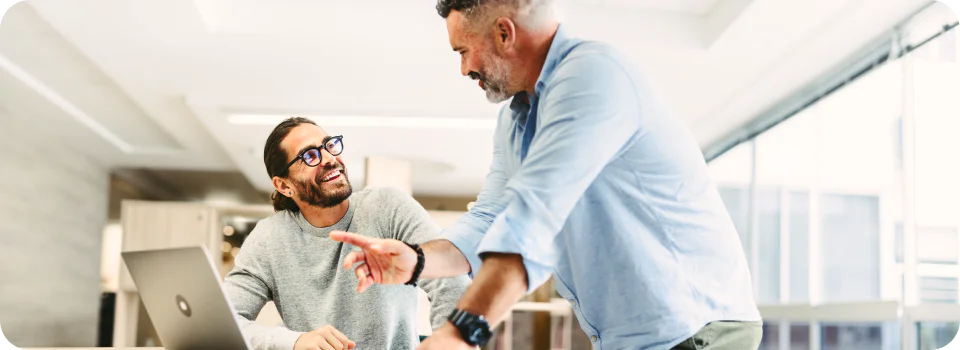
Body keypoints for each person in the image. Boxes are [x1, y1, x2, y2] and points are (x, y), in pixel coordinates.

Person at [331, 0, 764, 349]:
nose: (464, 69)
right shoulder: (515, 119)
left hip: (697, 331)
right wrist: (418, 260)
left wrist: (460, 333)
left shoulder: (592, 76)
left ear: (504, 33)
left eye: (463, 51)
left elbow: (531, 218)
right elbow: (490, 218)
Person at [224, 117, 470, 350]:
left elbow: (451, 281)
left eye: (329, 145)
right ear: (284, 186)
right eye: (310, 155)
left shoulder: (389, 208)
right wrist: (294, 342)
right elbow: (224, 323)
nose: (329, 158)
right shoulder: (268, 239)